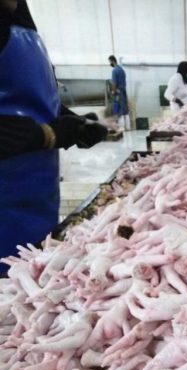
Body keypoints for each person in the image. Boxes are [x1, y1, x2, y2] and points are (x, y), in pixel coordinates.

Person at [0, 0, 107, 275]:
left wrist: (72, 122)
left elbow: (31, 93)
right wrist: (48, 134)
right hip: (5, 204)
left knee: (38, 279)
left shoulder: (19, 18)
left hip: (37, 199)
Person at [108, 54, 130, 130]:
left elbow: (114, 83)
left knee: (117, 109)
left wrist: (113, 92)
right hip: (123, 92)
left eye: (110, 62)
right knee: (125, 109)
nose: (110, 63)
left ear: (113, 61)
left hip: (118, 93)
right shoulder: (122, 70)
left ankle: (121, 127)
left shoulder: (114, 70)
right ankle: (128, 127)